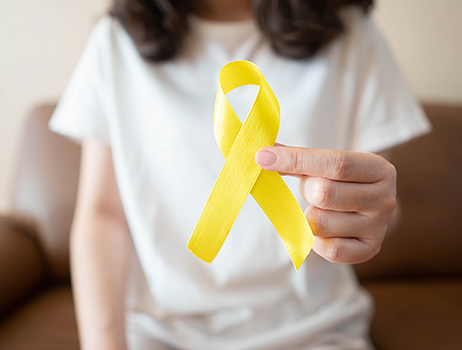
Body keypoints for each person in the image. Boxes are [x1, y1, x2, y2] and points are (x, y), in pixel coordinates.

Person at [48, 0, 432, 349]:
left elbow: (374, 204)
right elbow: (102, 215)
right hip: (161, 333)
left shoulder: (352, 34)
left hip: (317, 330)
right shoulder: (115, 42)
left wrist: (366, 215)